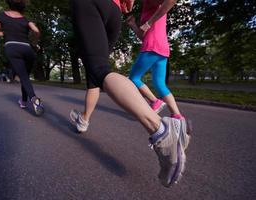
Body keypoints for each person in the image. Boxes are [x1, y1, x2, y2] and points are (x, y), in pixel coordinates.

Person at [70, 0, 191, 187]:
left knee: (102, 70)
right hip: (113, 11)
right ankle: (84, 119)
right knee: (96, 72)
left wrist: (147, 21)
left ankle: (162, 131)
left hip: (91, 5)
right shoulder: (140, 8)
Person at [126, 0, 184, 119]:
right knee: (159, 83)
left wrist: (149, 23)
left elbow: (171, 1)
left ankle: (155, 102)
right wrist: (133, 25)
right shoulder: (146, 8)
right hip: (161, 48)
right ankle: (177, 116)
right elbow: (143, 36)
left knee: (134, 78)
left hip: (152, 46)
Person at [0, 0, 44, 115]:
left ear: (9, 3)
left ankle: (34, 99)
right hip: (27, 48)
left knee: (23, 77)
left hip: (12, 48)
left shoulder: (1, 15)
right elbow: (37, 31)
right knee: (25, 78)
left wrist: (6, 33)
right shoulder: (25, 19)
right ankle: (24, 102)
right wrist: (34, 44)